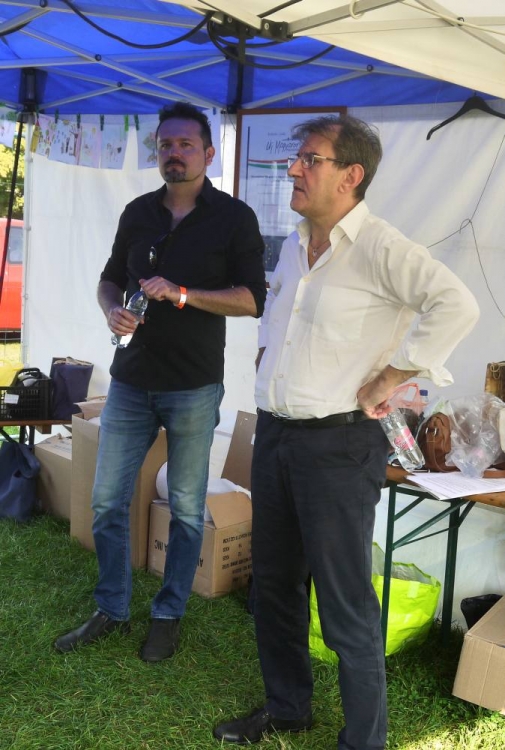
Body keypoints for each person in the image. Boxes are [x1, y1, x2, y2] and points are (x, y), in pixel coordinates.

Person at [213, 114, 479, 749]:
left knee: (343, 601)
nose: (293, 168)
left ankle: (364, 740)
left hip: (337, 446)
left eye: (311, 159)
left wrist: (392, 374)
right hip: (276, 435)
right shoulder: (292, 245)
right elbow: (282, 322)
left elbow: (457, 305)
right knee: (274, 586)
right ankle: (288, 707)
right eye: (297, 158)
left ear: (350, 175)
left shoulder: (381, 247)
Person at [54, 102, 266, 662]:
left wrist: (183, 294)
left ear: (208, 153)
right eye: (166, 145)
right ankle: (112, 606)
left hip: (193, 384)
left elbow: (251, 299)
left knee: (188, 509)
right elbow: (108, 279)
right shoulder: (138, 212)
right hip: (130, 380)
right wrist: (110, 310)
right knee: (107, 501)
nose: (174, 153)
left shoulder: (234, 218)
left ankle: (168, 613)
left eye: (186, 144)